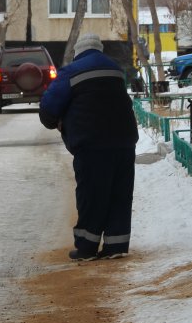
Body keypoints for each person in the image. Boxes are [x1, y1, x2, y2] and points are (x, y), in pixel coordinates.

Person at [39, 33, 138, 261]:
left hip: (92, 143)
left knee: (92, 194)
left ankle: (87, 248)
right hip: (124, 142)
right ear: (99, 50)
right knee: (119, 194)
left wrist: (56, 121)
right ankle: (117, 245)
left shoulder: (72, 72)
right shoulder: (115, 69)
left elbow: (49, 107)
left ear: (78, 52)